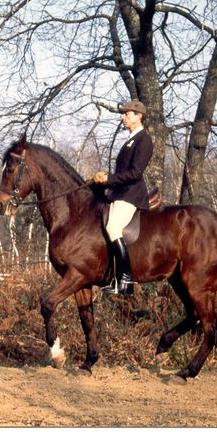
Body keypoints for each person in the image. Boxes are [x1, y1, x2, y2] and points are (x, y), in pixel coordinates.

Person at [92, 99, 153, 296]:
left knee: (113, 227)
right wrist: (103, 180)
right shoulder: (131, 139)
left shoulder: (144, 140)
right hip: (120, 193)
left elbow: (135, 173)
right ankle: (116, 280)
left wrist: (109, 179)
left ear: (138, 116)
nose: (123, 117)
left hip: (131, 194)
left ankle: (126, 281)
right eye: (123, 113)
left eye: (127, 114)